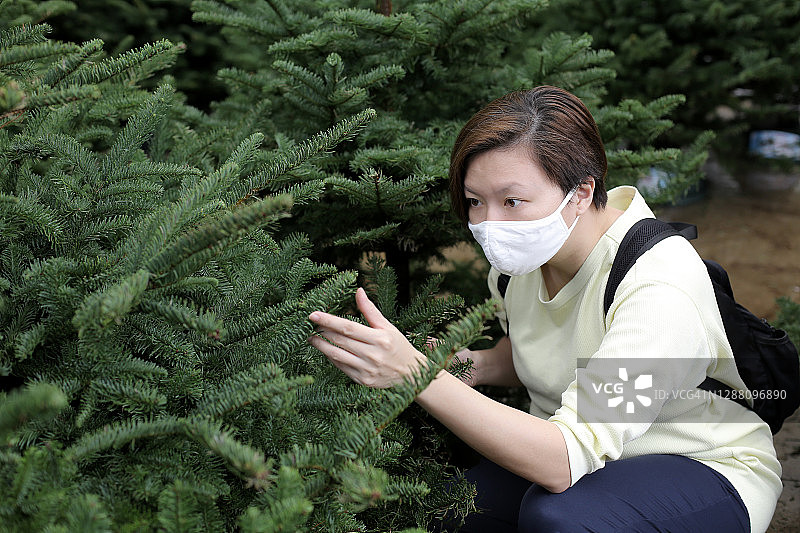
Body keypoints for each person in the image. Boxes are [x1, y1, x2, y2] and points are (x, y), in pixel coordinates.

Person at [307, 86, 782, 532]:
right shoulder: (522, 262)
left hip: (702, 464)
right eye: (475, 201)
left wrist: (416, 376)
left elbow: (563, 460)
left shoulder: (657, 282)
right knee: (455, 508)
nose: (490, 224)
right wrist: (470, 366)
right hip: (586, 457)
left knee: (557, 518)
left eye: (512, 200)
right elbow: (543, 351)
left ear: (581, 193)